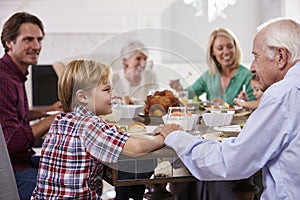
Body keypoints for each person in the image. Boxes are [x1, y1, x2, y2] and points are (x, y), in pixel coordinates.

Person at [159, 18, 300, 199]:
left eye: (256, 57)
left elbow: (229, 162)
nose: (252, 67)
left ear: (281, 56)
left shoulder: (281, 95)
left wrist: (176, 136)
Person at [31, 59, 165, 199]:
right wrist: (163, 136)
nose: (113, 95)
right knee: (140, 171)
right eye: (107, 89)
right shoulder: (89, 125)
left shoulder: (60, 121)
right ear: (82, 97)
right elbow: (137, 147)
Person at [0, 12, 62, 200]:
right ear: (9, 42)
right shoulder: (3, 80)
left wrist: (46, 110)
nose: (36, 46)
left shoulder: (13, 75)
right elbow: (12, 141)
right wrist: (55, 118)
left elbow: (12, 116)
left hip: (22, 161)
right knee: (70, 186)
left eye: (39, 39)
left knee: (73, 169)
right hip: (12, 171)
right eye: (28, 39)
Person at [170, 28, 255, 106]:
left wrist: (242, 104)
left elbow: (255, 108)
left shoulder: (247, 76)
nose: (226, 51)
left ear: (235, 48)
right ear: (212, 52)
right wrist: (179, 89)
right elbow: (190, 94)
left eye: (230, 47)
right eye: (220, 48)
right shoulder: (209, 76)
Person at [112, 39, 157, 104]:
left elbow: (155, 101)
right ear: (125, 60)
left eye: (145, 59)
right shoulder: (113, 78)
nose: (143, 63)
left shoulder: (151, 76)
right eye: (138, 59)